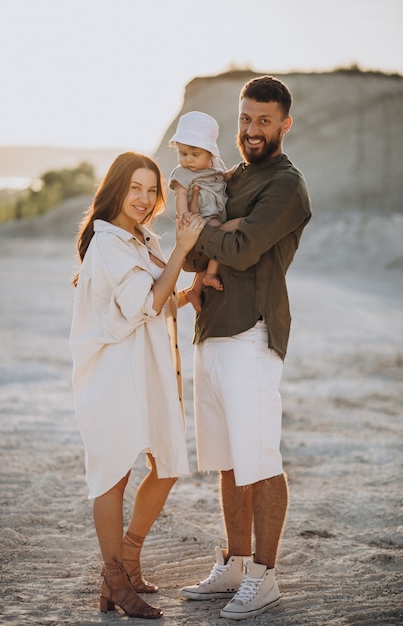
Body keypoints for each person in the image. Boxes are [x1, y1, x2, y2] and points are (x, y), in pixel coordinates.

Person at [179, 76, 312, 620]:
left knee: (258, 458)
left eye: (263, 121)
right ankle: (234, 563)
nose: (252, 130)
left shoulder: (286, 184)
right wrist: (208, 231)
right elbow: (192, 256)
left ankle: (265, 575)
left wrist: (204, 230)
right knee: (229, 461)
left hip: (252, 332)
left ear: (284, 124)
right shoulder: (228, 176)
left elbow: (240, 247)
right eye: (245, 119)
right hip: (211, 330)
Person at [69, 152, 205, 619]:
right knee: (114, 475)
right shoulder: (108, 244)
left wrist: (191, 291)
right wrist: (185, 251)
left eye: (152, 190)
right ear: (115, 191)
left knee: (166, 464)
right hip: (111, 376)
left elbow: (158, 301)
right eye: (135, 189)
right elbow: (146, 302)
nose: (145, 199)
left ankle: (128, 559)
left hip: (147, 372)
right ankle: (113, 579)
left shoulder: (142, 238)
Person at [169, 111, 228, 313]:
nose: (188, 160)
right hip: (200, 219)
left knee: (221, 236)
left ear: (210, 153)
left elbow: (225, 179)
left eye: (195, 154)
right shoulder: (182, 173)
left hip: (217, 214)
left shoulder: (217, 166)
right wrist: (184, 215)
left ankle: (195, 288)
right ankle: (210, 275)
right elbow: (180, 194)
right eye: (183, 154)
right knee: (220, 236)